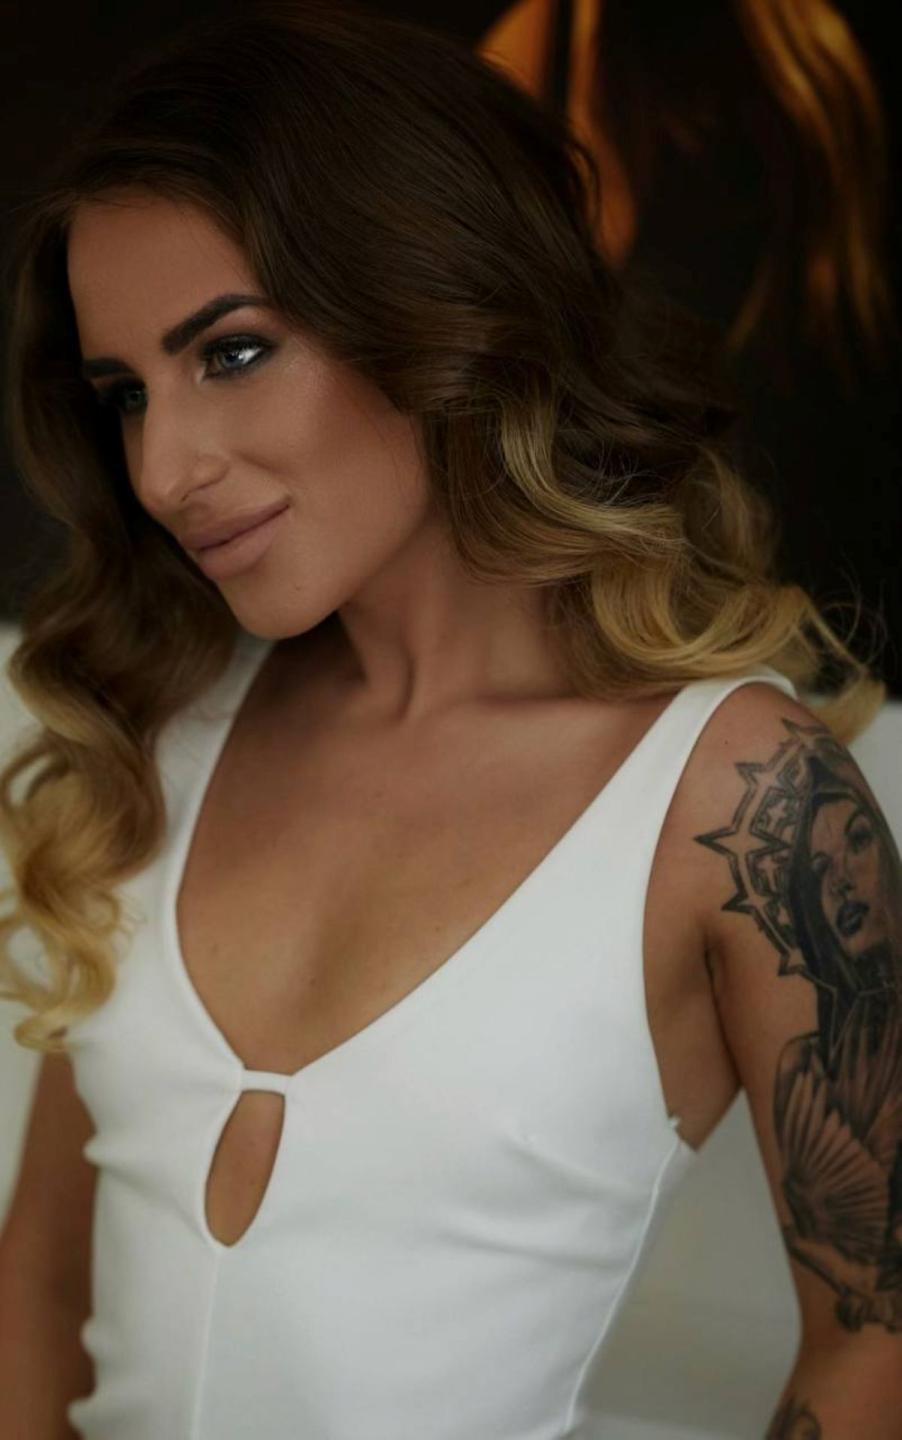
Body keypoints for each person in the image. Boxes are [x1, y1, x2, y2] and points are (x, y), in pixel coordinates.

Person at [0, 3, 897, 1436]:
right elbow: (37, 1288)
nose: (164, 470)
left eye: (230, 353)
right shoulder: (157, 735)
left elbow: (878, 1348)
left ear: (430, 305)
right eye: (124, 394)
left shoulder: (737, 800)